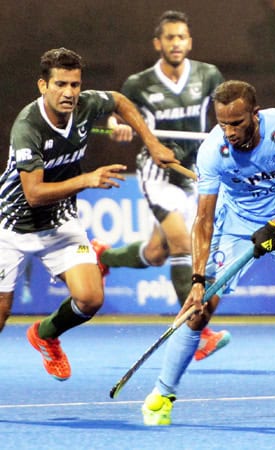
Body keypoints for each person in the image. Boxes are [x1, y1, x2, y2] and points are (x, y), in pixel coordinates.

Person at [140, 80, 275, 425]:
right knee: (198, 311)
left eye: (236, 123)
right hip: (235, 226)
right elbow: (203, 220)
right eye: (222, 123)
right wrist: (197, 280)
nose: (229, 132)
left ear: (255, 115)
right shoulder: (213, 151)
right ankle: (163, 393)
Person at [0, 47, 178, 381]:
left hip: (60, 222)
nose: (69, 92)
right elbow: (33, 194)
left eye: (75, 84)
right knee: (1, 313)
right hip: (11, 227)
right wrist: (87, 180)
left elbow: (119, 101)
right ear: (43, 85)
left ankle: (45, 335)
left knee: (91, 299)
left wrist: (151, 143)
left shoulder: (86, 106)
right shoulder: (28, 126)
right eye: (60, 84)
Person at [91, 10, 230, 361]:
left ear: (190, 41)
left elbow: (225, 113)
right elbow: (116, 117)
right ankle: (197, 331)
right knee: (183, 243)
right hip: (158, 172)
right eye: (170, 37)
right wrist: (117, 127)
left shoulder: (208, 75)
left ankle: (102, 256)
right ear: (158, 43)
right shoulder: (138, 84)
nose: (176, 43)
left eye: (181, 37)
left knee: (157, 253)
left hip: (195, 171)